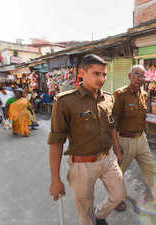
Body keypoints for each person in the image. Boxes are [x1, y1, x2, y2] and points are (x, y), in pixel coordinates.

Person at [48, 54, 125, 225]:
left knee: (119, 195)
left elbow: (111, 126)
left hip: (108, 158)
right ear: (82, 73)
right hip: (82, 165)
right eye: (96, 73)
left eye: (104, 74)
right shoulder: (65, 102)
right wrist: (55, 179)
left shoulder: (108, 99)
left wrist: (117, 150)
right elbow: (56, 141)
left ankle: (100, 215)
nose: (102, 78)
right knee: (85, 211)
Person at [112, 65, 156, 212]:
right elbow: (112, 123)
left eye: (142, 76)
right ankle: (115, 199)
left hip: (141, 139)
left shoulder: (144, 95)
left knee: (151, 169)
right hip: (125, 140)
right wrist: (116, 147)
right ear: (129, 76)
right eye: (137, 75)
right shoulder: (120, 95)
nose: (140, 79)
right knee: (117, 173)